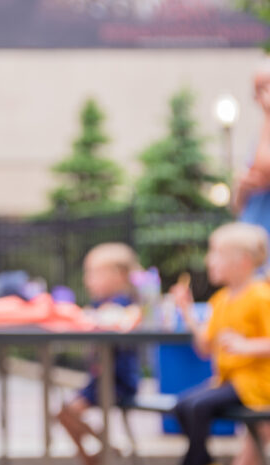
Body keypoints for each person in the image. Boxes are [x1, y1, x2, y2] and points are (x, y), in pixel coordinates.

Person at [171, 222, 270, 465]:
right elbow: (205, 348)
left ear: (243, 261)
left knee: (199, 407)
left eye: (216, 254)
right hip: (229, 381)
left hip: (256, 382)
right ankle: (201, 457)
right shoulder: (221, 300)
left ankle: (195, 460)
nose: (208, 260)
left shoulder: (260, 295)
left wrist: (246, 346)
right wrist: (187, 312)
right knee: (182, 405)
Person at [57, 242, 141, 465]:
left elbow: (117, 320)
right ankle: (101, 452)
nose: (88, 280)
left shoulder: (125, 305)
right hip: (98, 381)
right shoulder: (98, 305)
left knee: (68, 412)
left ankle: (100, 455)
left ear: (120, 276)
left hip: (118, 381)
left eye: (94, 273)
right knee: (63, 413)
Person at [234, 63, 270, 248]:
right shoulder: (260, 134)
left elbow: (264, 168)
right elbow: (238, 205)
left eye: (265, 86)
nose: (260, 97)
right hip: (255, 235)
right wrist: (241, 188)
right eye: (257, 91)